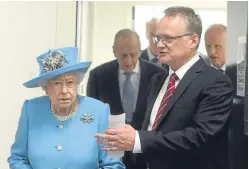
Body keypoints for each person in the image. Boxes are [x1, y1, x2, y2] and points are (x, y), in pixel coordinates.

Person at [95, 6, 233, 169]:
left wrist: (138, 140)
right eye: (157, 38)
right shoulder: (159, 79)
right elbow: (153, 128)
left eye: (168, 38)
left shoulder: (215, 82)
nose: (159, 45)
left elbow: (200, 137)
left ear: (193, 40)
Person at [8, 47, 125, 169]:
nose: (64, 91)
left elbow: (114, 164)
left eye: (70, 82)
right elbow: (17, 158)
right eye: (57, 83)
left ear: (77, 83)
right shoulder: (30, 109)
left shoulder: (102, 111)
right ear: (45, 88)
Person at [87, 29, 165, 169]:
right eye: (123, 55)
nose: (129, 61)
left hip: (146, 151)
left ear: (140, 51)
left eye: (133, 54)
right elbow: (91, 116)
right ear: (114, 51)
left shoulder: (158, 75)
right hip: (110, 151)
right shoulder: (98, 76)